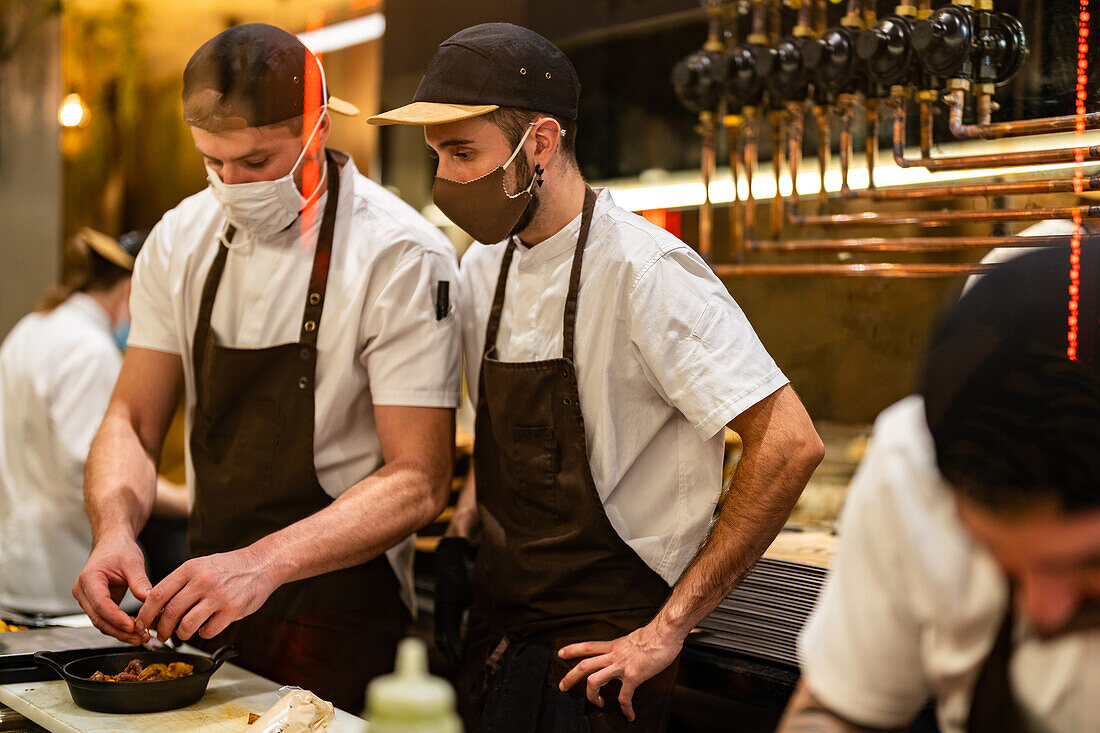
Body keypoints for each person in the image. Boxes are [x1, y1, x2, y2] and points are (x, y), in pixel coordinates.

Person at [369, 23, 824, 730]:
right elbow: (515, 441)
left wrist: (667, 627)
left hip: (606, 662)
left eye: (463, 153)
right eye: (437, 156)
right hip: (501, 644)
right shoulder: (482, 266)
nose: (445, 181)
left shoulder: (645, 270)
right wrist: (463, 536)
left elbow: (790, 441)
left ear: (541, 145)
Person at [72, 24, 461, 712]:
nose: (233, 185)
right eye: (213, 163)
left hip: (342, 618)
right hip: (203, 616)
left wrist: (260, 563)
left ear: (316, 127)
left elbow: (419, 478)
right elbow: (130, 419)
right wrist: (113, 528)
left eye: (255, 161)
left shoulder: (398, 253)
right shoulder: (179, 238)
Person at [779, 240, 1100, 733]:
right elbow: (840, 708)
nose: (1042, 610)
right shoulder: (913, 461)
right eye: (997, 554)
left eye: (1086, 563)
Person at [0, 228, 186, 618]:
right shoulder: (90, 350)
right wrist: (190, 501)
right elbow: (97, 466)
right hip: (68, 573)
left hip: (17, 565)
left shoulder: (31, 327)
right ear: (134, 289)